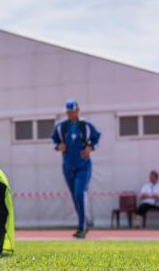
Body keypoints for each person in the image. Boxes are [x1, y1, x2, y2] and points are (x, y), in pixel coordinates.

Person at [51, 99, 100, 238]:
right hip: (68, 166)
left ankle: (82, 227)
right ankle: (82, 224)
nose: (70, 114)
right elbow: (53, 140)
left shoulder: (86, 125)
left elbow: (97, 138)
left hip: (83, 166)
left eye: (72, 111)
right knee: (74, 197)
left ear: (77, 110)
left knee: (80, 193)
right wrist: (58, 146)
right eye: (68, 112)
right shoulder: (61, 127)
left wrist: (90, 147)